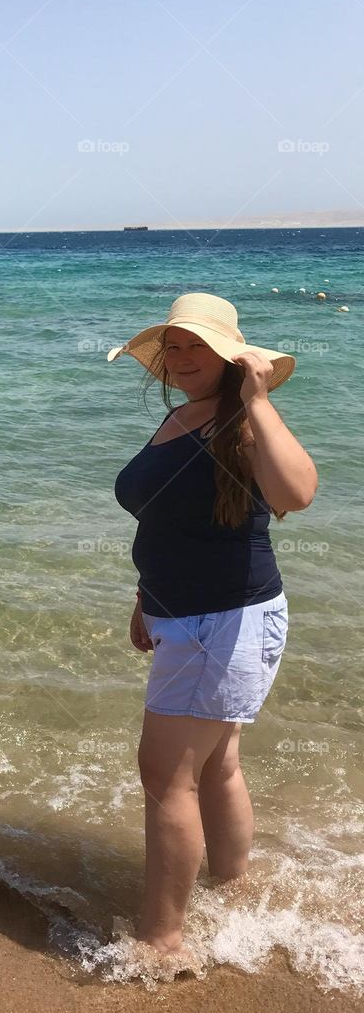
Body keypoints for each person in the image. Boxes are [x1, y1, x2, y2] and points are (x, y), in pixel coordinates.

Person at [108, 293, 318, 954]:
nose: (182, 357)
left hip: (224, 622)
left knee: (166, 774)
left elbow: (298, 493)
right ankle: (234, 892)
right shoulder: (182, 416)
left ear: (232, 354)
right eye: (173, 346)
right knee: (218, 763)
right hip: (189, 617)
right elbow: (169, 517)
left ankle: (162, 942)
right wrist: (148, 595)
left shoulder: (245, 419)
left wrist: (257, 398)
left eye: (198, 345)